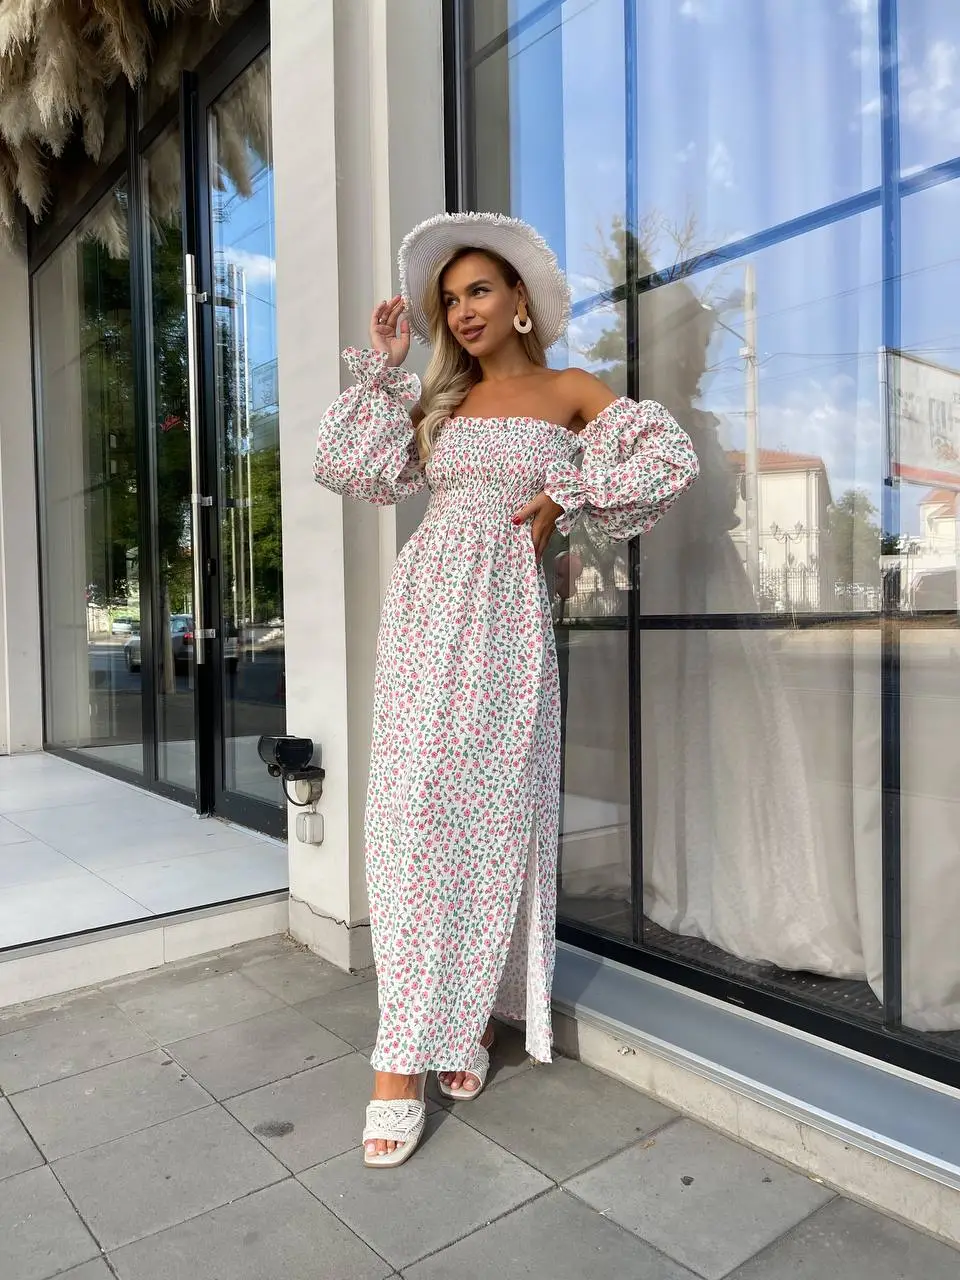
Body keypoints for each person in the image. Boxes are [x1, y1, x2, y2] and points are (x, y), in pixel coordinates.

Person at [313, 212, 699, 1169]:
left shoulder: (571, 390)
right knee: (409, 820)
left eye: (479, 290)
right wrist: (385, 371)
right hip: (423, 621)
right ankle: (400, 1056)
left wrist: (569, 495)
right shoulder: (438, 400)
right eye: (450, 300)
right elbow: (348, 468)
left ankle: (469, 1014)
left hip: (507, 629)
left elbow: (667, 461)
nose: (463, 311)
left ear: (520, 298)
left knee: (487, 824)